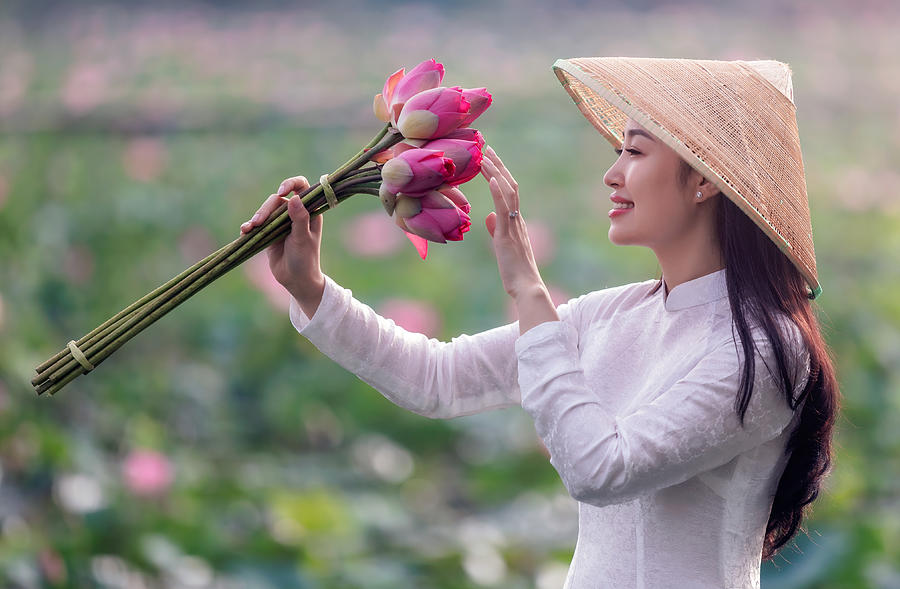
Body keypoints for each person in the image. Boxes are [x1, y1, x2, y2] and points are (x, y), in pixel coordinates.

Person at [239, 57, 840, 588]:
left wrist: (527, 288)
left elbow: (600, 467)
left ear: (706, 177)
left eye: (633, 151)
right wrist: (310, 287)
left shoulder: (765, 349)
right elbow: (438, 379)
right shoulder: (613, 314)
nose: (612, 174)